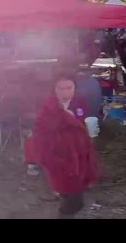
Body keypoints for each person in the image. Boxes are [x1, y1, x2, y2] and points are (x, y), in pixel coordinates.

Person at [32, 72, 99, 218]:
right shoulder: (47, 110)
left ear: (75, 87)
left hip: (80, 158)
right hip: (60, 161)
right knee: (71, 201)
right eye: (60, 88)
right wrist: (49, 160)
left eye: (69, 87)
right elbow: (40, 137)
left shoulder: (80, 103)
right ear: (54, 89)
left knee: (77, 199)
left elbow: (83, 124)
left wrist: (90, 133)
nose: (65, 92)